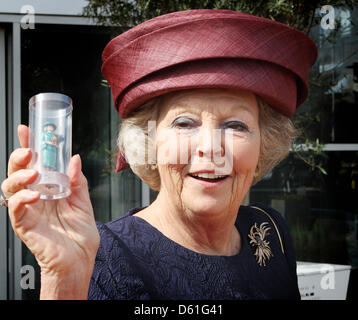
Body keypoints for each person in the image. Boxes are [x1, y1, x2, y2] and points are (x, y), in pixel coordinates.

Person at [1, 9, 317, 299]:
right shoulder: (105, 258)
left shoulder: (268, 229)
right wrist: (64, 277)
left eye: (236, 125)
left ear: (264, 143)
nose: (210, 147)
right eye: (184, 123)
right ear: (150, 143)